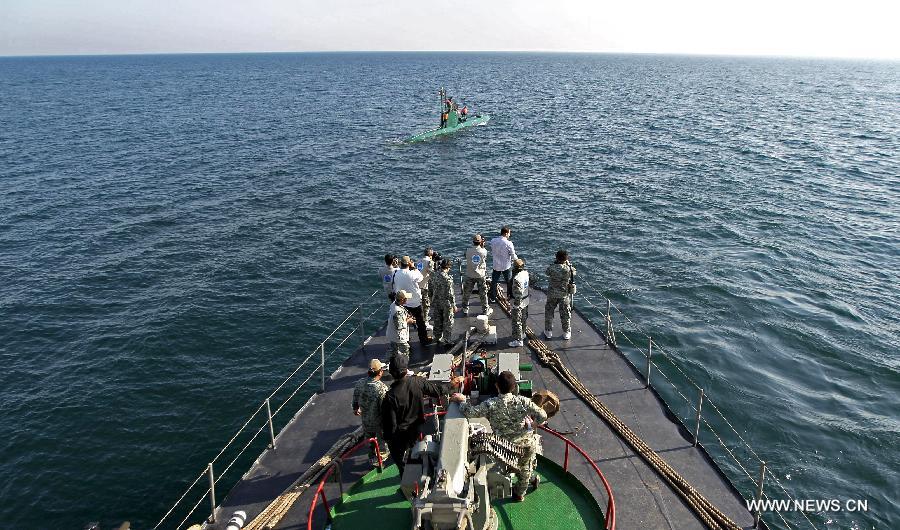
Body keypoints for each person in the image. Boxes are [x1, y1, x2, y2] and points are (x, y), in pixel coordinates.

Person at [450, 371, 548, 501]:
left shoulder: (491, 404)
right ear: (513, 387)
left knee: (507, 465)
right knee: (525, 468)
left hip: (503, 447)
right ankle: (519, 494)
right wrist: (532, 425)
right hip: (525, 444)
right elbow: (543, 416)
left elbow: (470, 412)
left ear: (497, 386)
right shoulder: (523, 401)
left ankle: (506, 479)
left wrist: (462, 400)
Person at [381, 355, 461, 476]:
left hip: (400, 438)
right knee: (417, 455)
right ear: (406, 369)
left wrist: (389, 442)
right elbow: (437, 391)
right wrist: (452, 383)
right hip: (416, 430)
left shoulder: (390, 397)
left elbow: (390, 428)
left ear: (391, 372)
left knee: (404, 465)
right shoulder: (417, 381)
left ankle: (407, 481)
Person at [352, 359, 390, 464]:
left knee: (369, 440)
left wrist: (356, 409)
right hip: (378, 422)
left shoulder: (359, 383)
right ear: (380, 372)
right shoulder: (382, 388)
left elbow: (355, 400)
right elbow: (384, 409)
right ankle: (382, 456)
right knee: (382, 440)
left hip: (365, 420)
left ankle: (371, 456)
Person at [393, 256, 432, 347]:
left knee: (405, 323)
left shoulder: (396, 273)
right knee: (420, 323)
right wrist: (414, 267)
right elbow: (421, 278)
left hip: (403, 303)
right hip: (415, 302)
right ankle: (424, 340)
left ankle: (406, 342)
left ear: (401, 264)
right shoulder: (412, 273)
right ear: (409, 263)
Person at [544, 249, 576, 340]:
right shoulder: (569, 269)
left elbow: (547, 272)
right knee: (565, 314)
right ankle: (566, 333)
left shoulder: (552, 268)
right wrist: (568, 264)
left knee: (549, 312)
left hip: (552, 294)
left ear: (556, 258)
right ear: (566, 259)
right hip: (564, 295)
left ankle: (548, 332)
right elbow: (574, 273)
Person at [461, 234, 491, 316]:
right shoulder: (484, 251)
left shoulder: (468, 250)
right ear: (481, 242)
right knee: (483, 294)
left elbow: (465, 256)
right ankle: (485, 310)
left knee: (466, 293)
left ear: (472, 242)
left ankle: (465, 309)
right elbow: (484, 258)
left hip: (470, 274)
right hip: (480, 275)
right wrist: (482, 246)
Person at [430, 258, 456, 346]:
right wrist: (454, 305)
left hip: (436, 301)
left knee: (437, 320)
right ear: (448, 267)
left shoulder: (434, 275)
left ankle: (437, 337)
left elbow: (430, 287)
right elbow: (450, 293)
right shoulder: (447, 278)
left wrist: (431, 298)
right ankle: (447, 340)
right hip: (446, 303)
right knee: (448, 321)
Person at [489, 226, 518, 303]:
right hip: (506, 266)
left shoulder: (493, 241)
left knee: (494, 281)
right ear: (506, 233)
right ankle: (510, 295)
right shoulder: (509, 243)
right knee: (509, 281)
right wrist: (517, 260)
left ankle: (492, 297)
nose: (509, 235)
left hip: (496, 265)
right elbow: (513, 255)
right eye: (509, 233)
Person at [508, 259, 530, 348]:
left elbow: (518, 294)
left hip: (519, 303)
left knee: (516, 321)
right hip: (526, 300)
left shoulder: (517, 278)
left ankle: (518, 340)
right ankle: (523, 333)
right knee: (523, 319)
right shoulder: (526, 273)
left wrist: (515, 305)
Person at [387, 290, 415, 360]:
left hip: (392, 334)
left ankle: (395, 365)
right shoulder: (398, 311)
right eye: (406, 298)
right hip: (398, 337)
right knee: (405, 352)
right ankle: (403, 368)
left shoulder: (394, 304)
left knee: (394, 351)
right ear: (402, 300)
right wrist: (409, 321)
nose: (407, 299)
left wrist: (406, 317)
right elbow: (399, 326)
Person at [417, 249, 435, 331]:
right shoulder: (429, 262)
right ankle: (426, 323)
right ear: (431, 255)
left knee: (420, 303)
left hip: (417, 286)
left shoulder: (419, 260)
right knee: (426, 304)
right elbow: (432, 274)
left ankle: (424, 317)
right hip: (424, 286)